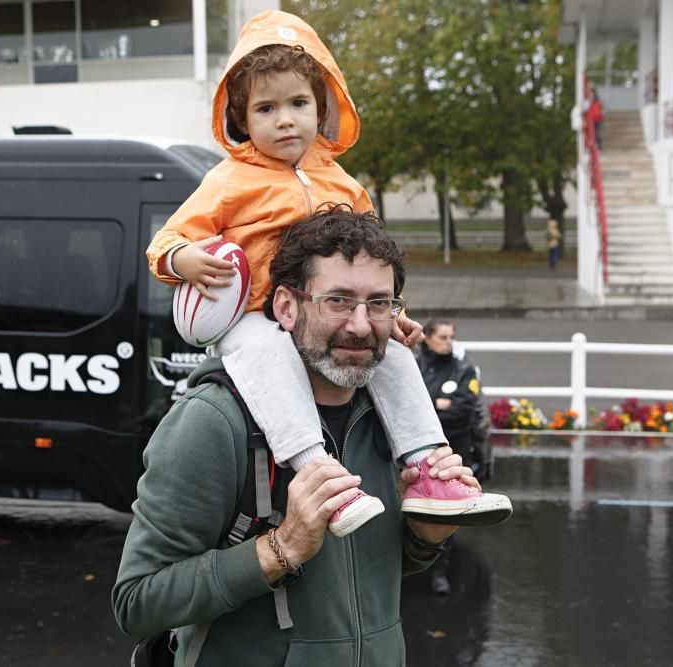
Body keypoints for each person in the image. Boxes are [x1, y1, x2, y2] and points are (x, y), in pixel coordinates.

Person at [145, 10, 505, 536]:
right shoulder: (228, 180)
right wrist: (183, 260)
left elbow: (376, 259)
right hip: (252, 315)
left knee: (396, 356)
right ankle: (319, 476)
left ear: (321, 107)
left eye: (298, 103)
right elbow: (166, 242)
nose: (285, 119)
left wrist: (392, 313)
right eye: (266, 108)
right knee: (269, 355)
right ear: (242, 119)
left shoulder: (342, 181)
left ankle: (429, 467)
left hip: (327, 311)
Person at [115, 209, 494, 665]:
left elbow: (355, 578)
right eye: (337, 300)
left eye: (378, 303)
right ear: (286, 307)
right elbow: (137, 601)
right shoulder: (213, 421)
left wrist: (424, 538)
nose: (360, 324)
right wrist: (281, 549)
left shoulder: (391, 420)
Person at [415, 319, 486, 596]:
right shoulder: (416, 368)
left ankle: (440, 570)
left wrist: (430, 404)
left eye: (451, 337)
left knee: (448, 511)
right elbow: (407, 407)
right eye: (442, 337)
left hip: (456, 449)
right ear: (428, 338)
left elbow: (465, 409)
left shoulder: (464, 369)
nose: (448, 342)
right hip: (421, 449)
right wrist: (439, 403)